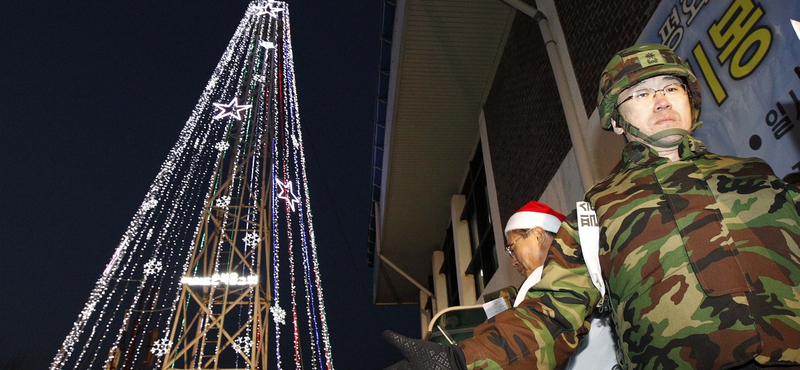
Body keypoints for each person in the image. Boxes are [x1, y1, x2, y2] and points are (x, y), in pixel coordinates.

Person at [383, 43, 800, 369]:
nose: (661, 101)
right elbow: (552, 315)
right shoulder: (600, 209)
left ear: (690, 101)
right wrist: (459, 362)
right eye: (639, 93)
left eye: (671, 88)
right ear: (616, 121)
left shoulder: (755, 174)